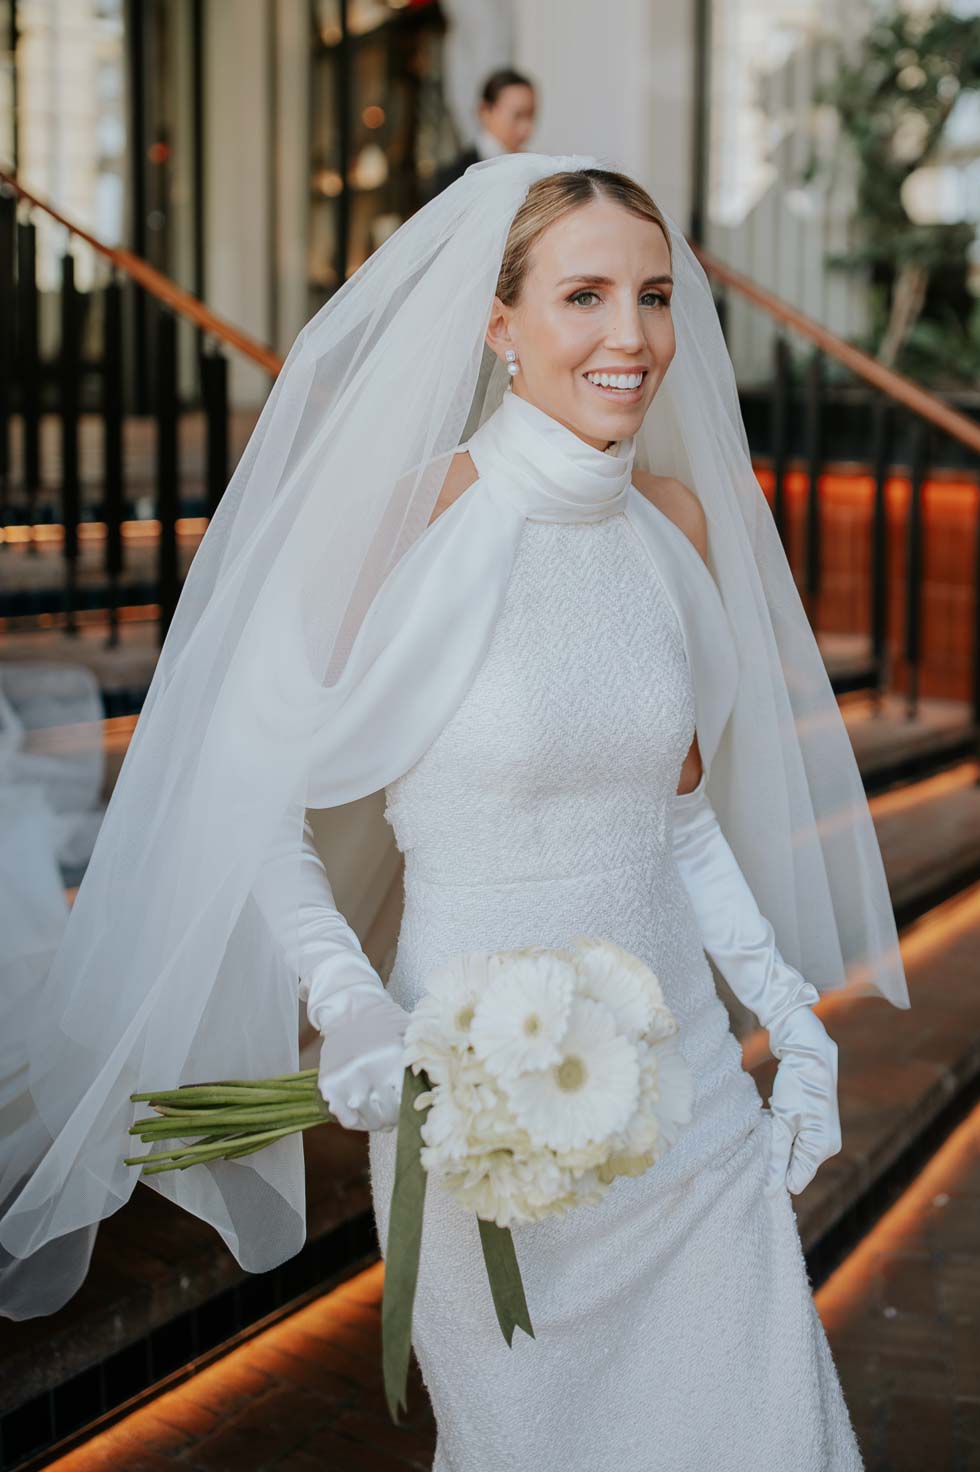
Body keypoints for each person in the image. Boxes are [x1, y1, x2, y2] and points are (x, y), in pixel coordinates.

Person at [0, 154, 908, 1470]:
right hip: (475, 1109)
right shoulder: (402, 523)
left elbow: (679, 818)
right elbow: (258, 810)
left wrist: (787, 1017)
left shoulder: (678, 522)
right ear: (499, 325)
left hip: (688, 1097)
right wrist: (348, 997)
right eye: (583, 295)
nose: (631, 337)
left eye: (653, 297)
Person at [428, 66, 537, 199]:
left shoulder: (535, 172)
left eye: (531, 115)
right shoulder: (454, 177)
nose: (526, 127)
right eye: (517, 116)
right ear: (485, 111)